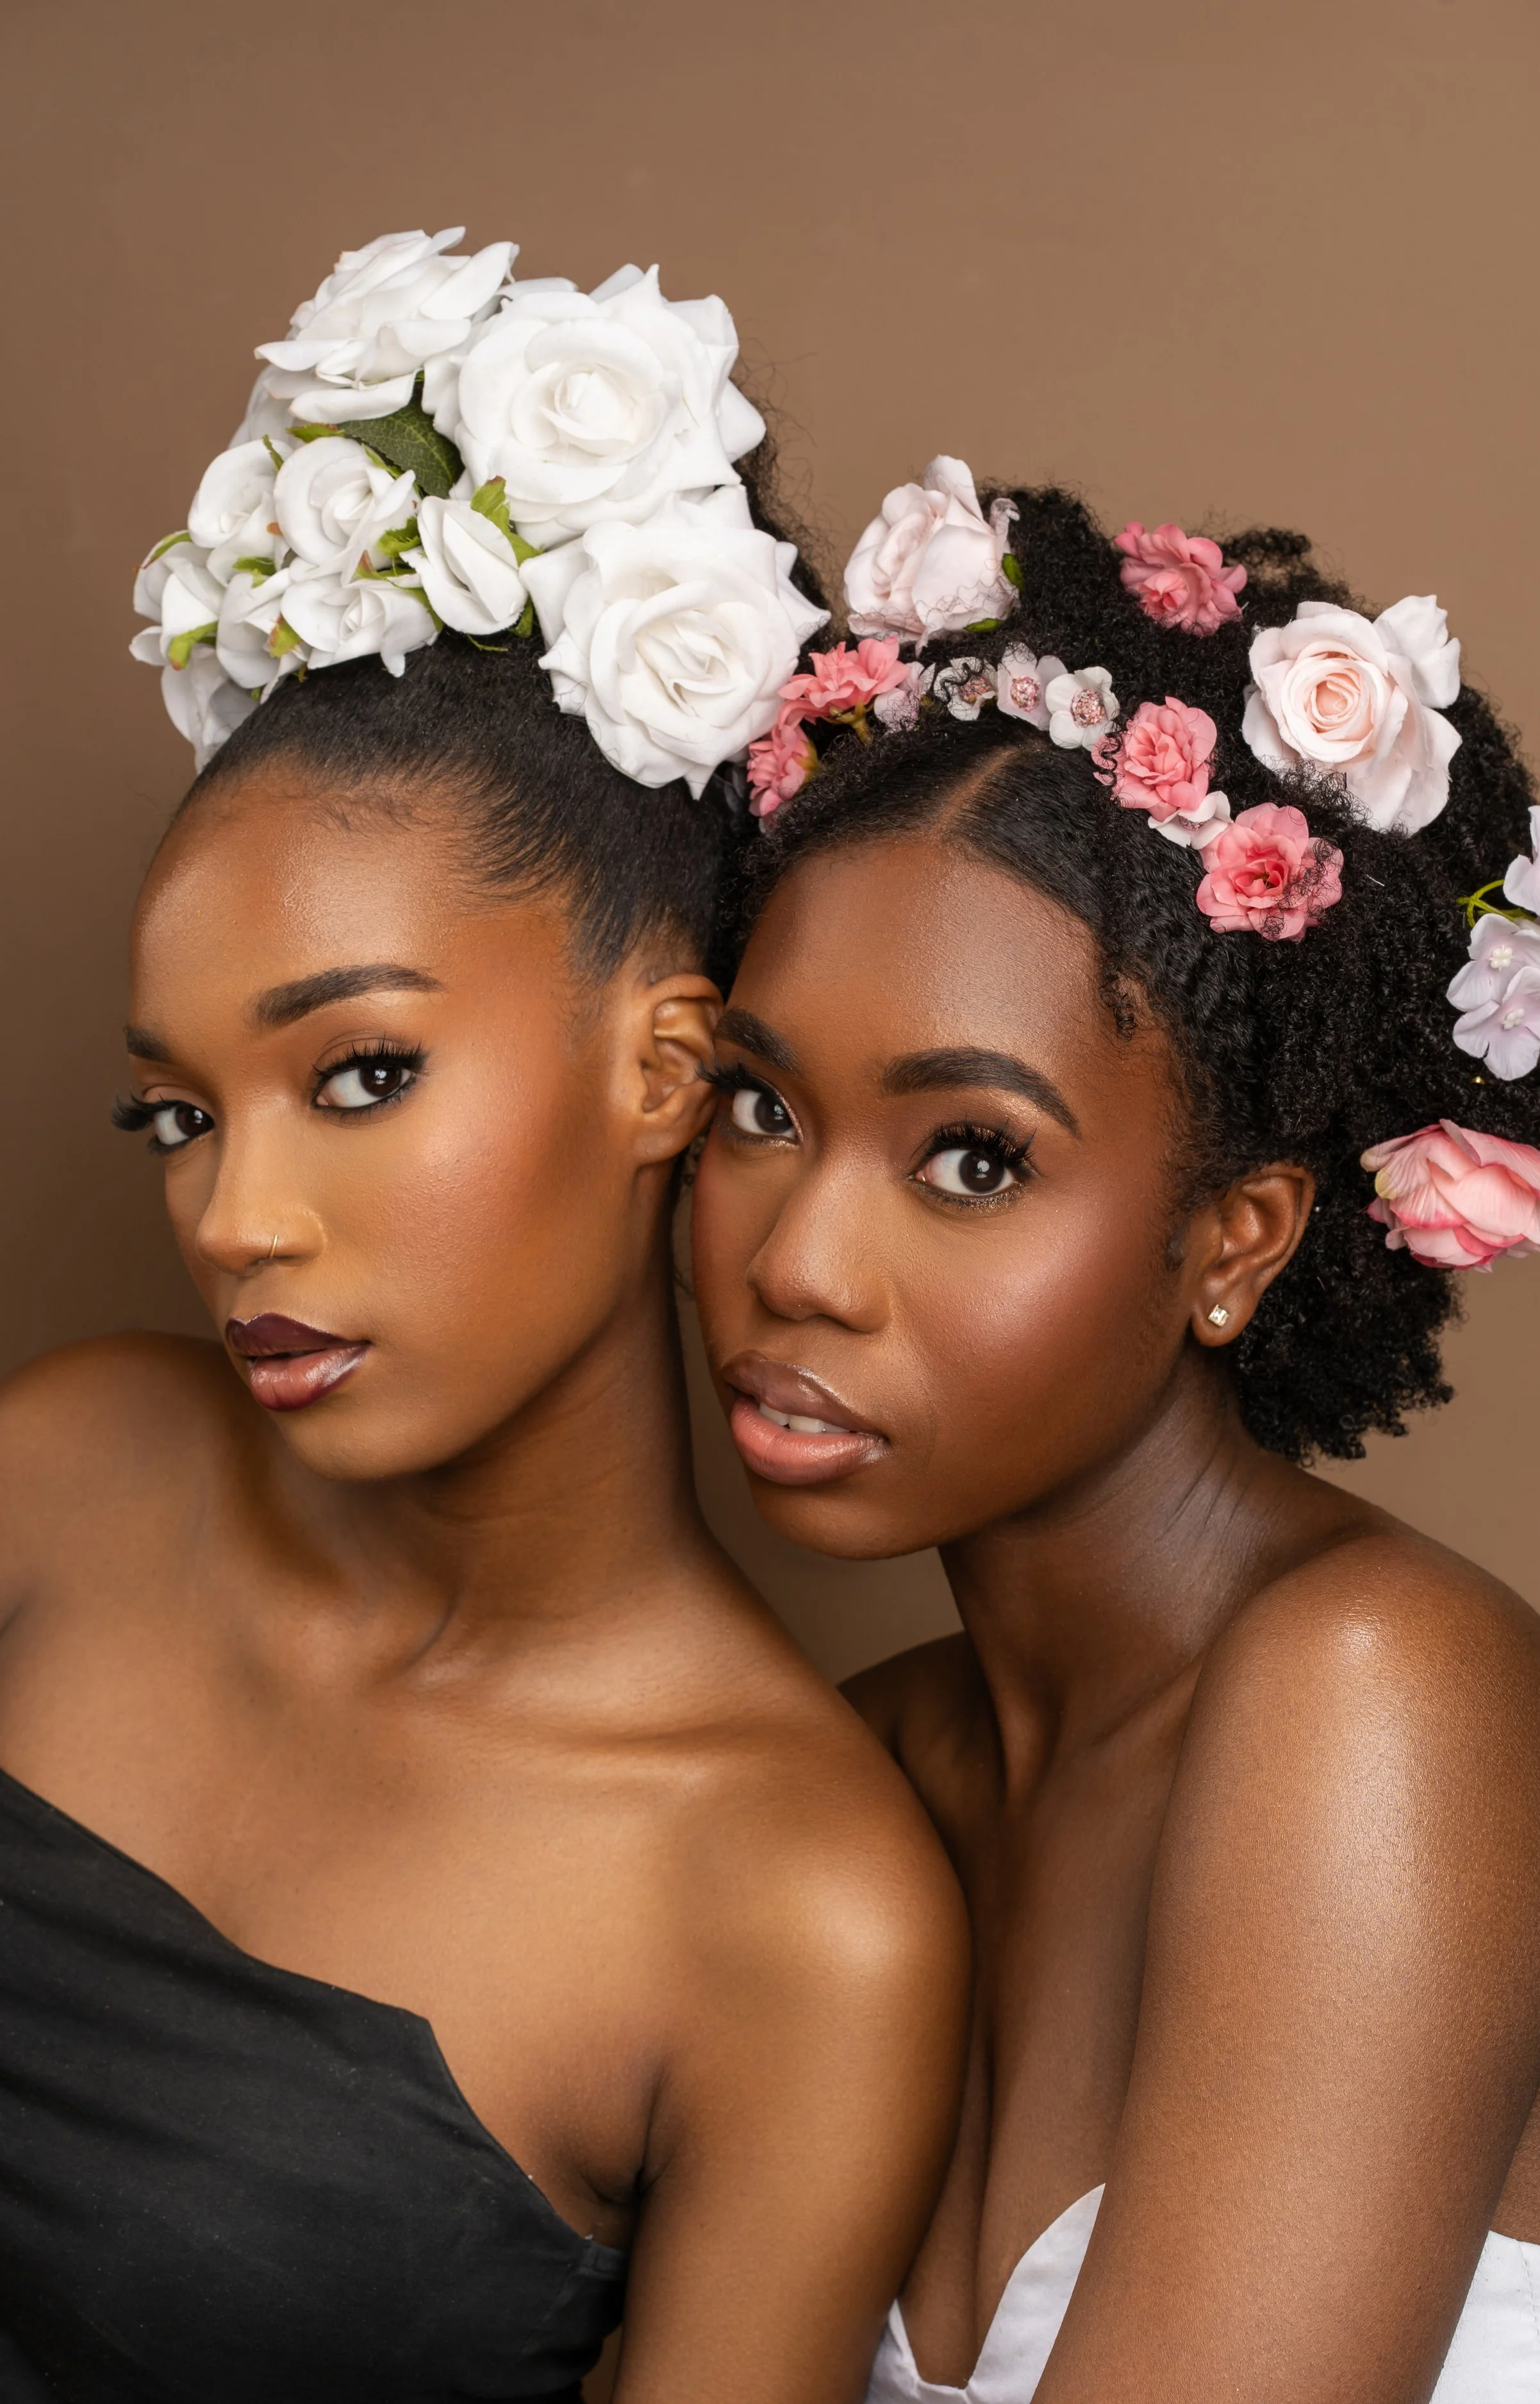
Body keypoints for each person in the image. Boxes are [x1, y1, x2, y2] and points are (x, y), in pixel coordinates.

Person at [0, 233, 966, 2404]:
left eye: (358, 1075)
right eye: (175, 1110)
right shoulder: (70, 1469)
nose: (237, 1217)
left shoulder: (792, 1906)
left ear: (660, 1067)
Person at [691, 461, 1540, 2401]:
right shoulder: (867, 1778)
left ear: (1231, 1239)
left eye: (966, 1157)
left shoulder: (1388, 1704)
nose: (798, 1260)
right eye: (761, 1109)